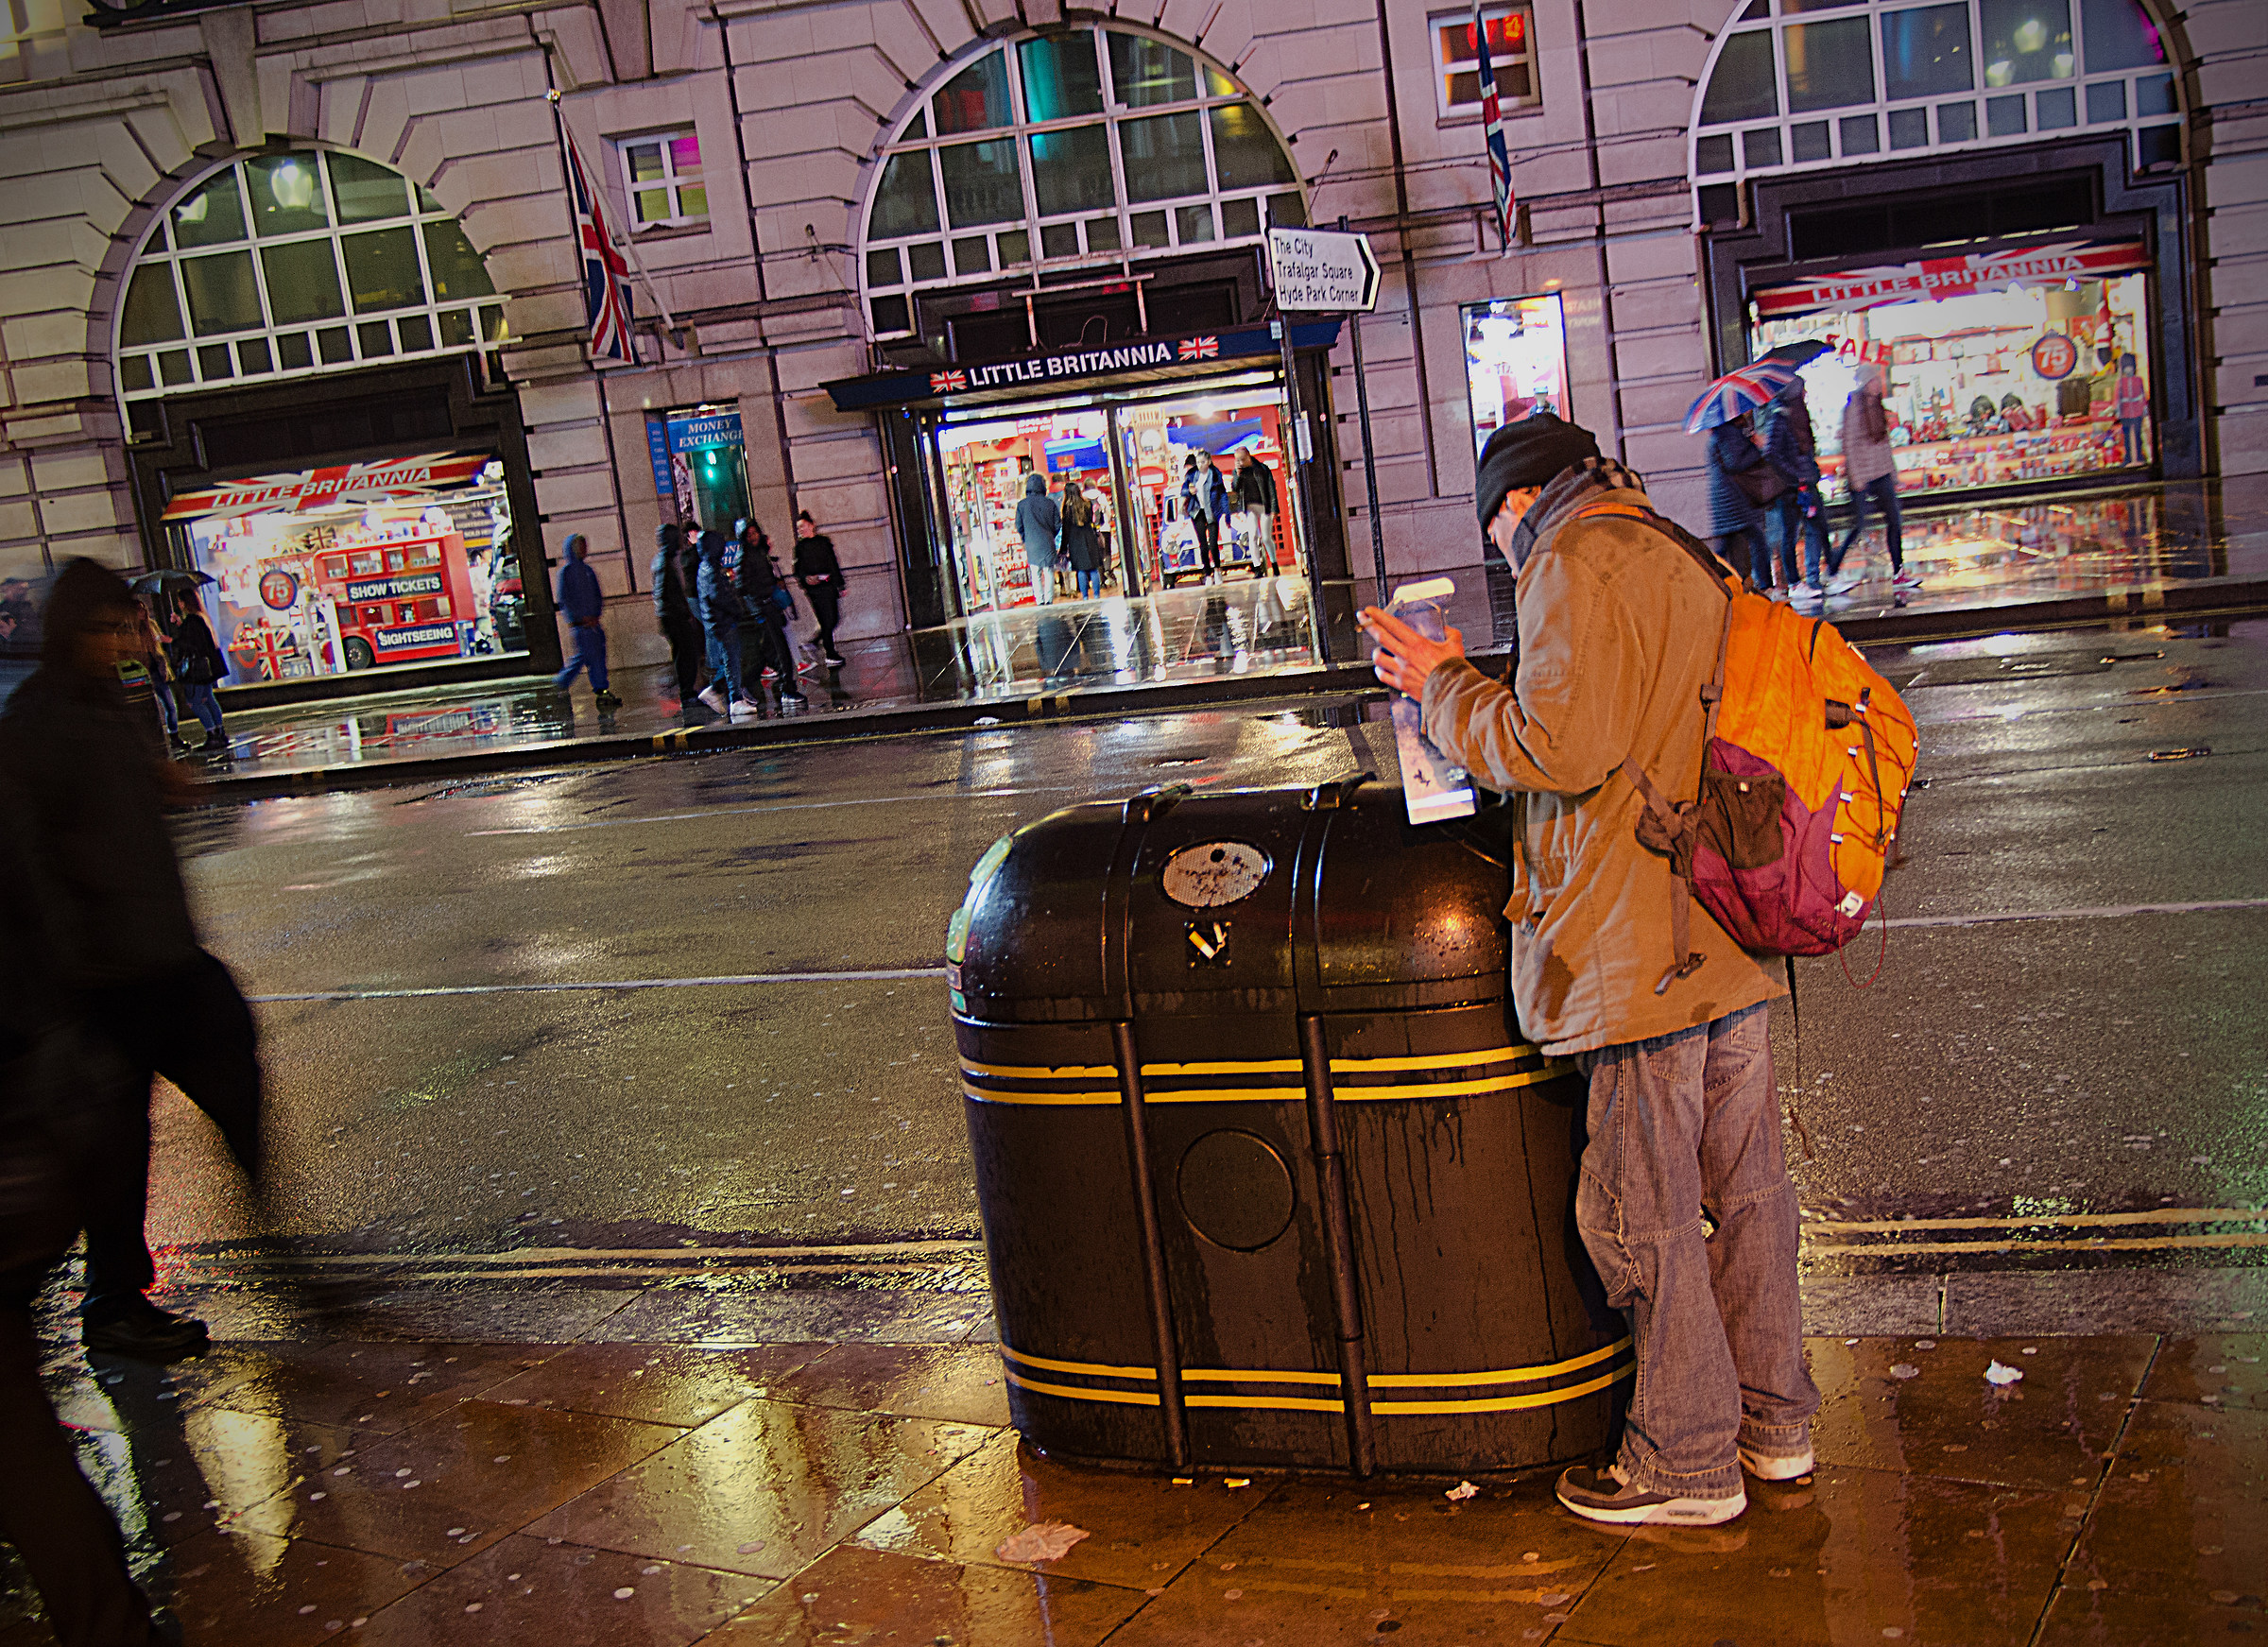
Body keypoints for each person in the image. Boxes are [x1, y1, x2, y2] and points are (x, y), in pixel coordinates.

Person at [1360, 413, 1815, 1529]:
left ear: (1514, 506)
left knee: (1642, 1215)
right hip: (1726, 929)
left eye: (1494, 531)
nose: (1504, 552)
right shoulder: (1674, 545)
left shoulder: (1569, 558)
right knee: (1748, 1196)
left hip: (1635, 944)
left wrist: (1442, 684)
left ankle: (1686, 1462)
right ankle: (1776, 1427)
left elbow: (1558, 746)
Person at [0, 559, 268, 1365]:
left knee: (238, 1082)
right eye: (105, 629)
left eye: (126, 627)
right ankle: (110, 1303)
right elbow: (29, 863)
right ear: (67, 633)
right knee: (116, 1153)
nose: (121, 642)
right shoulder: (33, 724)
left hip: (166, 959)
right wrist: (66, 993)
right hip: (103, 982)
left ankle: (282, 1254)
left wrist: (155, 785)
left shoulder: (111, 707)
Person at [1837, 366, 1910, 592]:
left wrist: (1893, 473)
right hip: (1863, 475)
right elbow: (1849, 444)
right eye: (1875, 381)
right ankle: (1832, 567)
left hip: (1882, 473)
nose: (1878, 384)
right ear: (1866, 383)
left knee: (1895, 521)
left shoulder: (1879, 407)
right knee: (1858, 525)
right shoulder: (1853, 409)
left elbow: (1885, 444)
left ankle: (1899, 571)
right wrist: (1856, 477)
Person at [1762, 383, 1830, 611]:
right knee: (1790, 535)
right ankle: (1794, 582)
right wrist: (1794, 475)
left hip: (1804, 483)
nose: (1805, 393)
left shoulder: (1796, 416)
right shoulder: (1780, 418)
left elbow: (1801, 451)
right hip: (1792, 489)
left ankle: (1812, 577)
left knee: (1815, 527)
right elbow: (1771, 453)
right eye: (1802, 389)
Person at [1703, 410, 1773, 596]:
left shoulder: (1722, 432)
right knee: (1756, 540)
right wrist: (1758, 448)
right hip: (1733, 500)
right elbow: (1734, 462)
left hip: (1727, 500)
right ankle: (1765, 585)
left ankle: (1710, 583)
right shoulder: (1728, 432)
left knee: (1725, 549)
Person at [733, 520, 803, 701]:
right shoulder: (745, 558)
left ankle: (751, 685)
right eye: (749, 534)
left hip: (768, 607)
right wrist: (761, 607)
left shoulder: (759, 553)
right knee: (778, 653)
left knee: (770, 653)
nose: (753, 537)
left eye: (755, 532)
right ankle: (786, 688)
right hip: (763, 609)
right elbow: (743, 588)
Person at [695, 528, 759, 720]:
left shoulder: (708, 566)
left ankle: (720, 691)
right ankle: (735, 700)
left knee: (731, 660)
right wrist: (737, 609)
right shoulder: (711, 568)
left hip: (719, 621)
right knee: (732, 660)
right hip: (723, 622)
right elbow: (719, 596)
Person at [552, 534, 619, 710]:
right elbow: (564, 599)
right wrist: (577, 618)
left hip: (592, 624)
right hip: (581, 626)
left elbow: (597, 595)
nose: (584, 549)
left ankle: (602, 691)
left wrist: (596, 615)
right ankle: (561, 681)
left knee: (597, 657)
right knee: (583, 656)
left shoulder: (588, 571)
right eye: (581, 546)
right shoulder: (566, 573)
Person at [650, 523, 704, 714]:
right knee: (686, 654)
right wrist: (681, 613)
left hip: (674, 616)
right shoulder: (664, 562)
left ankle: (685, 690)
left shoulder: (665, 560)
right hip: (674, 617)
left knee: (685, 654)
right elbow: (664, 593)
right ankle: (685, 692)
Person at [793, 510, 847, 668]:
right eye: (798, 528)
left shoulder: (824, 542)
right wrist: (806, 579)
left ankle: (814, 641)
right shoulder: (800, 548)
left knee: (833, 618)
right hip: (814, 590)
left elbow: (832, 563)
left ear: (812, 526)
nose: (801, 530)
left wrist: (840, 584)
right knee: (825, 619)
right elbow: (797, 570)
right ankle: (830, 653)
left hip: (828, 585)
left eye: (803, 526)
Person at [130, 603, 180, 748]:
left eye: (143, 609)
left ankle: (174, 736)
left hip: (157, 671)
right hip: (143, 672)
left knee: (171, 706)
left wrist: (164, 668)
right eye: (138, 610)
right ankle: (154, 739)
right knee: (150, 709)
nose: (142, 612)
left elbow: (159, 650)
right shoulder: (131, 630)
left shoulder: (151, 625)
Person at [1015, 473, 1060, 606]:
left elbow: (1019, 525)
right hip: (1047, 541)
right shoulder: (1049, 503)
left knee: (1035, 573)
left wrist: (1025, 538)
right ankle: (1049, 599)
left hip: (1031, 543)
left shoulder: (1022, 505)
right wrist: (1051, 534)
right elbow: (1058, 524)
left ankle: (1039, 600)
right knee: (1048, 571)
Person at [1059, 484, 1106, 599]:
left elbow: (1065, 529)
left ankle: (1085, 596)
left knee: (1080, 570)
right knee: (1094, 569)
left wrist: (1063, 548)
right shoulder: (1087, 504)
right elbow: (1091, 520)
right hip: (1089, 538)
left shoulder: (1066, 508)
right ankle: (1096, 595)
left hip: (1075, 542)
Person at [1234, 451, 1279, 571]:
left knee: (1266, 538)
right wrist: (1238, 475)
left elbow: (1271, 489)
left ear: (1248, 457)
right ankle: (1257, 567)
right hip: (1249, 508)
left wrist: (1274, 508)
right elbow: (1235, 488)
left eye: (1242, 459)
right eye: (1238, 460)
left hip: (1264, 506)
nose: (1240, 462)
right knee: (1252, 536)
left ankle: (1274, 564)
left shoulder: (1262, 468)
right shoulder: (1238, 471)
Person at [1186, 451, 1227, 580]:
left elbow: (1223, 494)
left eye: (1203, 462)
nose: (1200, 465)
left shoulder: (1215, 475)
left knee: (1213, 543)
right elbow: (1183, 490)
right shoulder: (1192, 475)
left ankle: (1218, 570)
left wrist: (1226, 512)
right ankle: (1208, 574)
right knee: (1202, 545)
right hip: (1197, 511)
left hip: (1212, 511)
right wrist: (1189, 491)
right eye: (1198, 462)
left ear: (1208, 462)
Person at [2115, 353, 2148, 466]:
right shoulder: (2119, 382)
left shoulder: (2138, 380)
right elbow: (2117, 398)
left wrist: (2144, 407)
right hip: (2125, 411)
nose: (2129, 369)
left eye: (2130, 367)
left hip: (2137, 411)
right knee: (2127, 437)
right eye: (2126, 367)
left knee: (2138, 435)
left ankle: (2140, 456)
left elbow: (2142, 395)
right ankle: (2128, 458)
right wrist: (2117, 409)